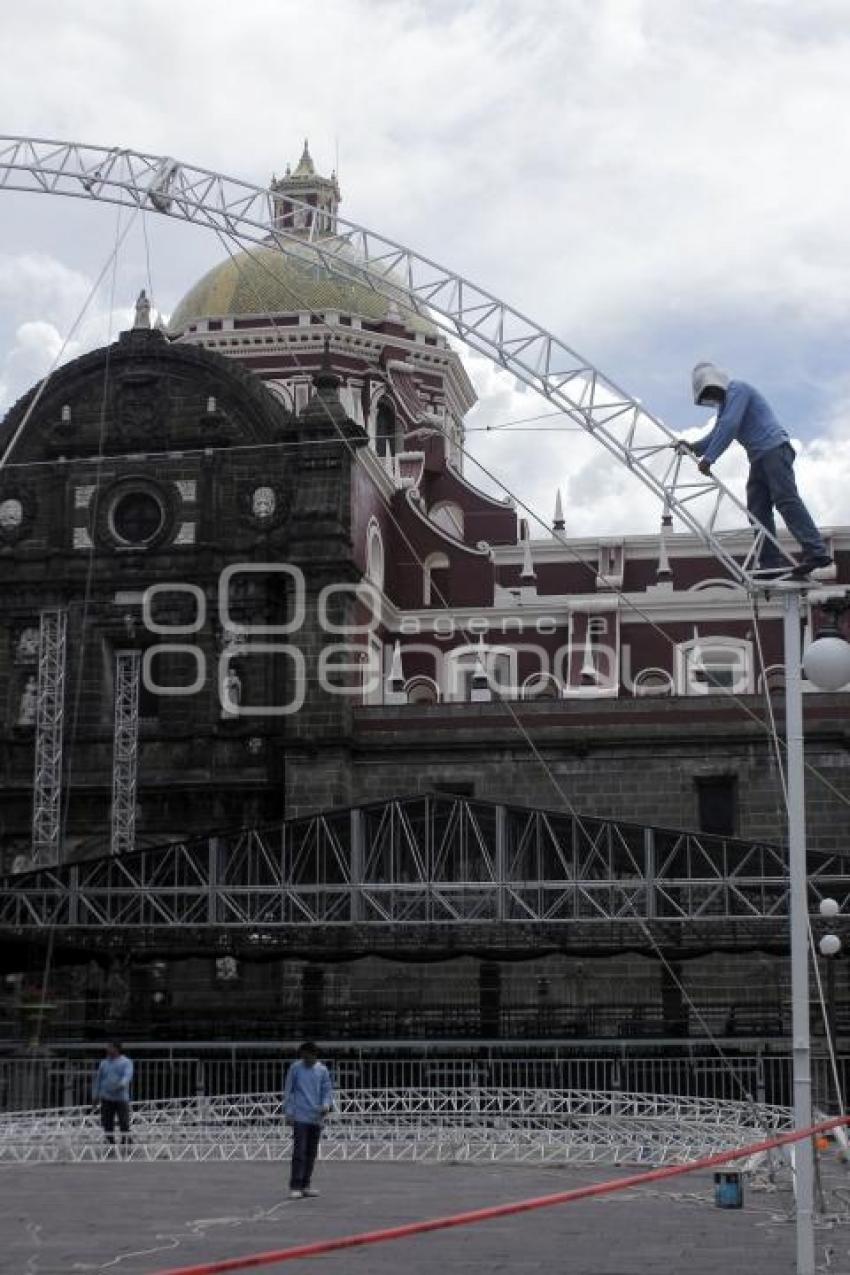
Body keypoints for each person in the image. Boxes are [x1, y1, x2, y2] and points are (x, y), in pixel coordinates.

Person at [681, 362, 832, 578]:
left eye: (712, 391)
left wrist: (709, 458)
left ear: (717, 383)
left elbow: (730, 426)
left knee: (785, 499)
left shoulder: (738, 390)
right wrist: (694, 447)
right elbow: (718, 432)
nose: (712, 396)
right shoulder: (724, 406)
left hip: (774, 449)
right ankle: (769, 564)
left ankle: (816, 551)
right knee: (757, 511)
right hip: (759, 458)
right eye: (708, 394)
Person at [283, 1041, 334, 1199]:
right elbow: (289, 1090)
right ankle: (295, 1185)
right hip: (300, 1115)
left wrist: (326, 1105)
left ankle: (306, 1184)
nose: (306, 1059)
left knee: (311, 1153)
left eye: (309, 1056)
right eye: (303, 1056)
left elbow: (327, 1090)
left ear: (315, 1055)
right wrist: (289, 1112)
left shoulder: (322, 1070)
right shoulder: (295, 1068)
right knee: (299, 1152)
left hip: (316, 1116)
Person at [93, 1041, 133, 1155]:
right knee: (107, 1123)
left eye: (110, 1048)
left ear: (116, 1049)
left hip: (121, 1098)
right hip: (106, 1097)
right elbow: (99, 1079)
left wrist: (122, 1084)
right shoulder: (104, 1063)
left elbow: (127, 1075)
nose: (107, 1049)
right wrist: (96, 1095)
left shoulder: (126, 1062)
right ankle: (110, 1146)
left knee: (124, 1122)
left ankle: (126, 1145)